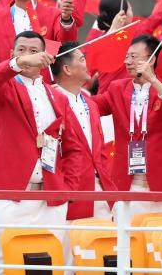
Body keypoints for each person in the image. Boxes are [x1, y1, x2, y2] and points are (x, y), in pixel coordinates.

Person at [0, 32, 77, 274]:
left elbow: (73, 146)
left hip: (51, 192)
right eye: (21, 50)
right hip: (12, 191)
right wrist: (19, 64)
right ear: (11, 55)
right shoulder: (3, 88)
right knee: (7, 261)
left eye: (34, 51)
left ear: (45, 58)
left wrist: (68, 187)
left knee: (52, 261)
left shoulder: (56, 95)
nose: (27, 56)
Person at [88, 34, 162, 219]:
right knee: (128, 242)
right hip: (127, 183)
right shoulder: (117, 88)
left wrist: (154, 80)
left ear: (151, 59)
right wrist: (66, 93)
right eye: (127, 56)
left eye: (134, 56)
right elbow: (92, 107)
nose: (127, 61)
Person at [51, 45, 114, 221]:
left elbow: (98, 150)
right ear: (67, 69)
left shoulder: (91, 104)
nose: (87, 65)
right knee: (72, 246)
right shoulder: (50, 100)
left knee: (104, 244)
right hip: (71, 191)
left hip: (100, 189)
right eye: (81, 59)